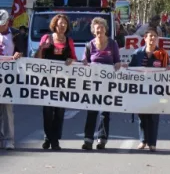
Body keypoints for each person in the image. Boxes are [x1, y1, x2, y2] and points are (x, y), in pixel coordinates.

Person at [35, 14, 77, 150]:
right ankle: (48, 137)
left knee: (59, 112)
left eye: (65, 24)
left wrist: (72, 61)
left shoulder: (69, 41)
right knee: (47, 111)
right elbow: (37, 59)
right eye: (60, 24)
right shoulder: (46, 38)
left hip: (62, 82)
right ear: (55, 25)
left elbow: (74, 58)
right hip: (47, 81)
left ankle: (55, 140)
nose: (63, 26)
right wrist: (42, 48)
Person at [81, 17, 121, 150]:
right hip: (93, 83)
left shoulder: (112, 43)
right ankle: (88, 139)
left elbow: (117, 61)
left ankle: (102, 139)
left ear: (105, 29)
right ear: (93, 31)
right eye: (97, 28)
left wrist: (118, 65)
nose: (100, 30)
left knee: (105, 112)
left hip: (108, 84)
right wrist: (85, 63)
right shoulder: (89, 45)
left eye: (102, 27)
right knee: (91, 111)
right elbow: (84, 61)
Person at [128, 27, 170, 151]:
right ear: (144, 38)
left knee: (153, 116)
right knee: (142, 116)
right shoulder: (137, 53)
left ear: (157, 39)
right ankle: (143, 140)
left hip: (156, 90)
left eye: (154, 36)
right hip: (141, 89)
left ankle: (152, 143)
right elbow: (131, 69)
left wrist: (168, 68)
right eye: (149, 36)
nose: (152, 38)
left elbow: (168, 68)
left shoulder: (162, 53)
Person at [0, 9, 26, 150]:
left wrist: (18, 54)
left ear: (7, 22)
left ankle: (9, 139)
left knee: (7, 109)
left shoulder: (16, 34)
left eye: (2, 24)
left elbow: (22, 51)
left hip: (8, 76)